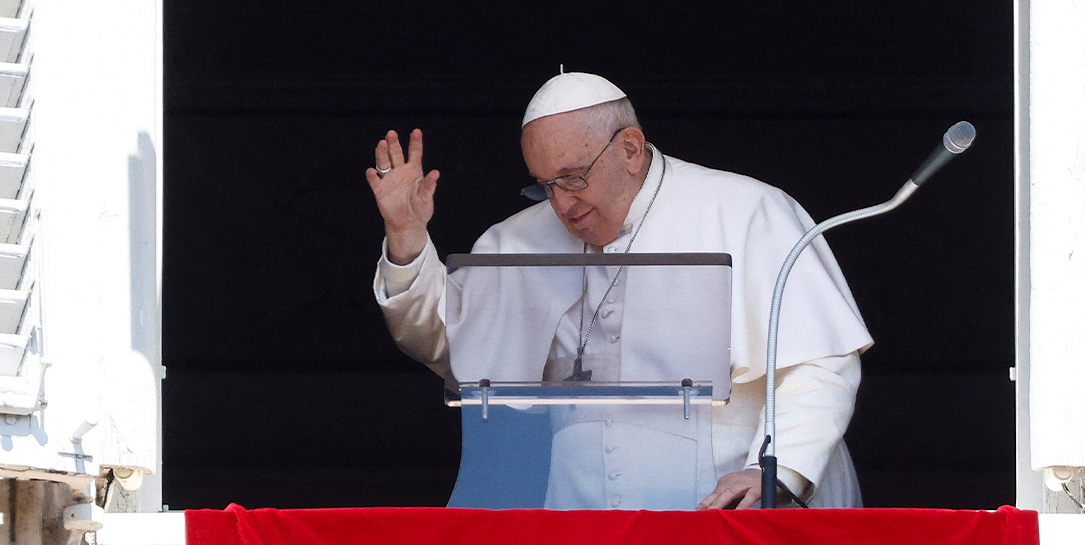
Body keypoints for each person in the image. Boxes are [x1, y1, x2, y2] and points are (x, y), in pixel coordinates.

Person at [369, 72, 873, 509]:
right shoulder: (516, 240)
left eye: (573, 178)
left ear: (630, 149)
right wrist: (407, 237)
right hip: (580, 516)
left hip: (728, 507)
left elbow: (820, 361)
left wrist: (774, 471)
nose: (561, 206)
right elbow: (455, 349)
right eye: (544, 185)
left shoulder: (746, 210)